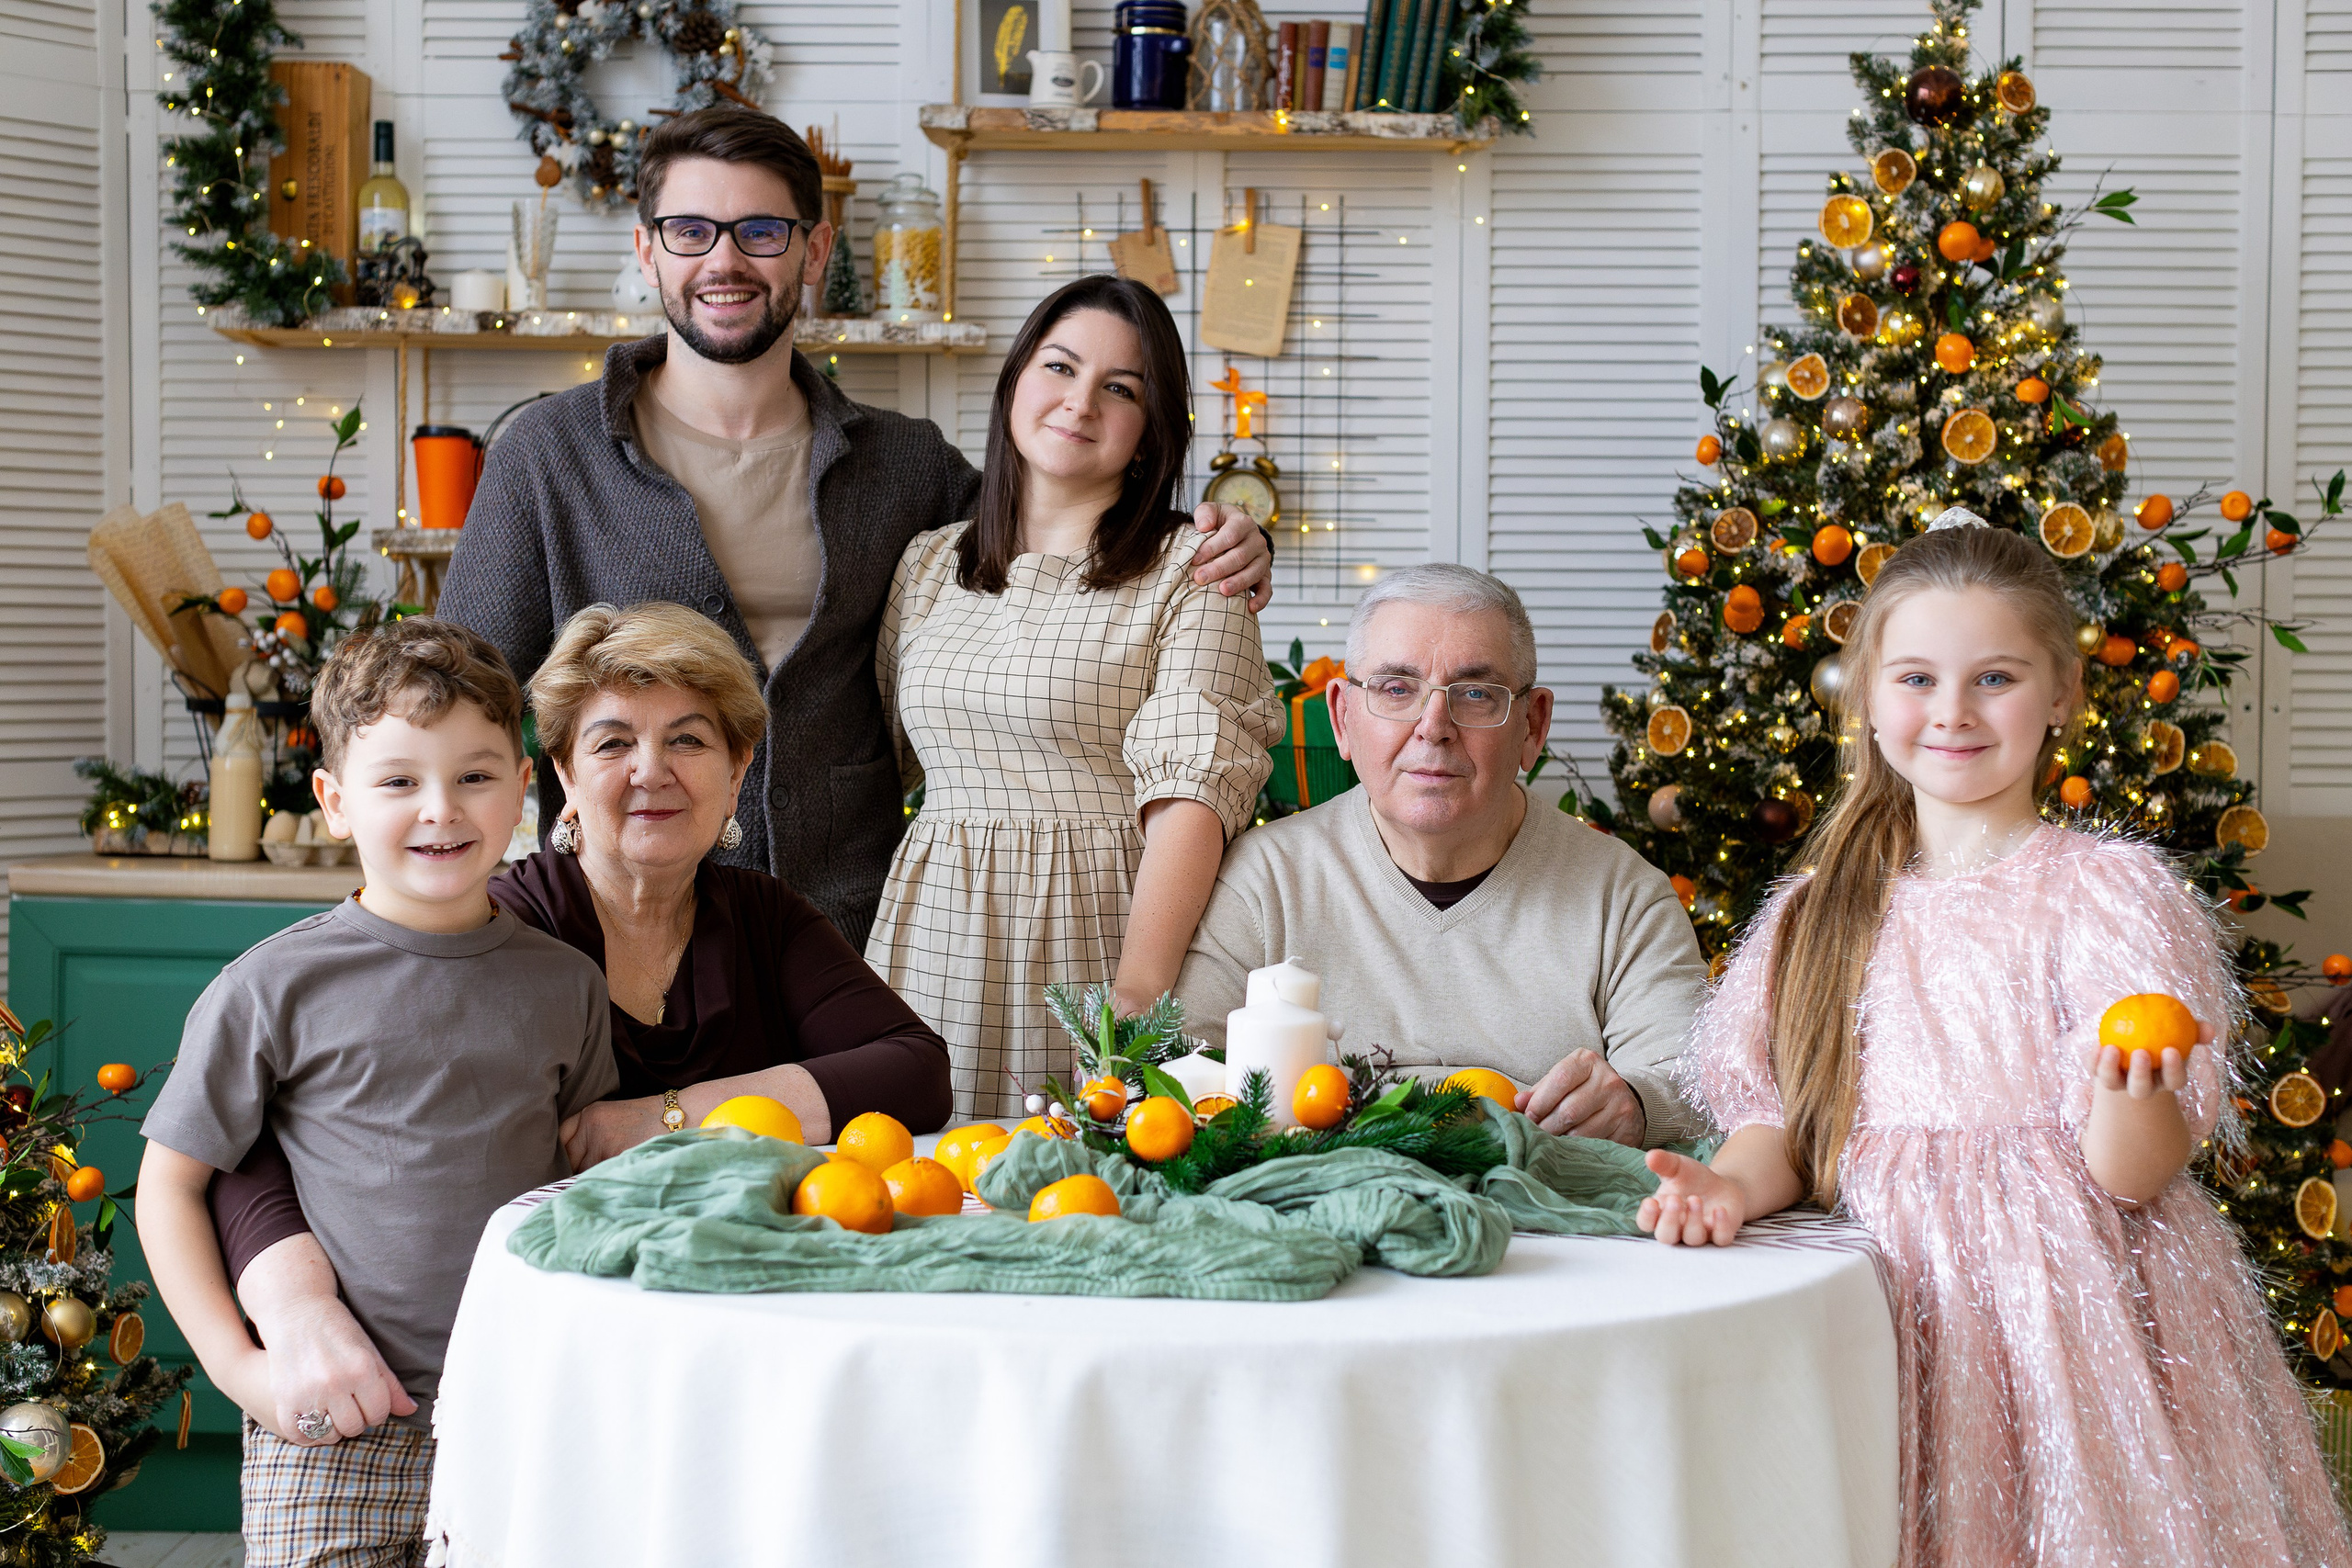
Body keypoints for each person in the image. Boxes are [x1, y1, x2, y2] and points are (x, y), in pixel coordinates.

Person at [1643, 516, 2352, 1565]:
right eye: (1918, 678)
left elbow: (2131, 1174)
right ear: (1868, 696)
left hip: (2071, 1329)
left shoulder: (2103, 897)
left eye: (1995, 679)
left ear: (2061, 692)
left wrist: (2133, 1087)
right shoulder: (1814, 915)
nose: (1951, 713)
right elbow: (1779, 1125)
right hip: (1872, 1311)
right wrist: (1727, 1189)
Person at [439, 106, 1273, 953]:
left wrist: (1230, 537)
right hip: (615, 933)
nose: (724, 261)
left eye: (761, 230)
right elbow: (461, 699)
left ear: (815, 249)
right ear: (647, 249)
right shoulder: (548, 454)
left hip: (854, 943)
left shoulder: (906, 467)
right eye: (691, 230)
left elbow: (1058, 525)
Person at [204, 603, 956, 1450]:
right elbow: (255, 1128)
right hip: (519, 1369)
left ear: (739, 768)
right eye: (611, 743)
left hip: (720, 1345)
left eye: (689, 739)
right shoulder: (494, 926)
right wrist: (290, 1304)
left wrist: (667, 1115)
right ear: (558, 770)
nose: (652, 770)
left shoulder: (764, 917)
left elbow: (915, 1072)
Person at [137, 620, 617, 1567]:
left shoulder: (567, 985)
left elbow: (579, 1175)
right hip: (332, 1421)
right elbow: (170, 1187)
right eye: (398, 781)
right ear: (334, 802)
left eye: (476, 775)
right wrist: (246, 1374)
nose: (440, 809)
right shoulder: (271, 987)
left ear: (525, 790)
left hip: (517, 1408)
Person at [865, 276, 1283, 1120]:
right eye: (1059, 366)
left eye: (1120, 388)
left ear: (1149, 432)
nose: (1079, 402)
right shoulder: (928, 563)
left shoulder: (1194, 570)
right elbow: (888, 758)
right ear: (1016, 378)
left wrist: (1136, 995)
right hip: (930, 929)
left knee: (1079, 1195)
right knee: (914, 1190)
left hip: (1098, 924)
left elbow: (1193, 796)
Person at [1175, 562, 1708, 1146]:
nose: (1433, 727)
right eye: (1397, 689)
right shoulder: (1263, 880)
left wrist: (1637, 1104)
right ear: (1342, 718)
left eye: (1476, 695)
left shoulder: (1625, 898)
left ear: (1533, 725)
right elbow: (1182, 1074)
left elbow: (1696, 1089)